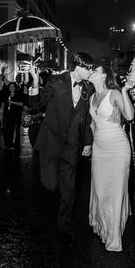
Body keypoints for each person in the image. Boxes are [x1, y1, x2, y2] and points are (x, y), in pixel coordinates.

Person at [32, 52, 94, 246]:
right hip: (51, 142)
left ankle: (63, 229)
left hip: (72, 146)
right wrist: (35, 83)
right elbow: (35, 104)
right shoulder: (57, 80)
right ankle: (45, 214)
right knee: (50, 185)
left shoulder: (88, 87)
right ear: (77, 66)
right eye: (88, 68)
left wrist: (87, 142)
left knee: (69, 191)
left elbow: (87, 118)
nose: (90, 71)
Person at [88, 65, 135, 252]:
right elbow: (93, 124)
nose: (91, 72)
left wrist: (125, 91)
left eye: (95, 70)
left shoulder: (114, 93)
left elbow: (129, 116)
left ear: (104, 76)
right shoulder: (92, 97)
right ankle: (102, 224)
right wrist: (89, 145)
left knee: (114, 191)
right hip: (99, 148)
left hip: (117, 148)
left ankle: (113, 236)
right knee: (100, 190)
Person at [1, 82, 24, 150]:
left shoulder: (19, 94)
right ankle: (7, 142)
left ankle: (12, 144)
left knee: (12, 130)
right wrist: (1, 109)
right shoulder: (6, 94)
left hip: (15, 115)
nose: (11, 88)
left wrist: (11, 102)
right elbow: (3, 102)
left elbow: (21, 104)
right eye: (10, 86)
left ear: (15, 87)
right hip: (6, 114)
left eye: (13, 86)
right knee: (4, 129)